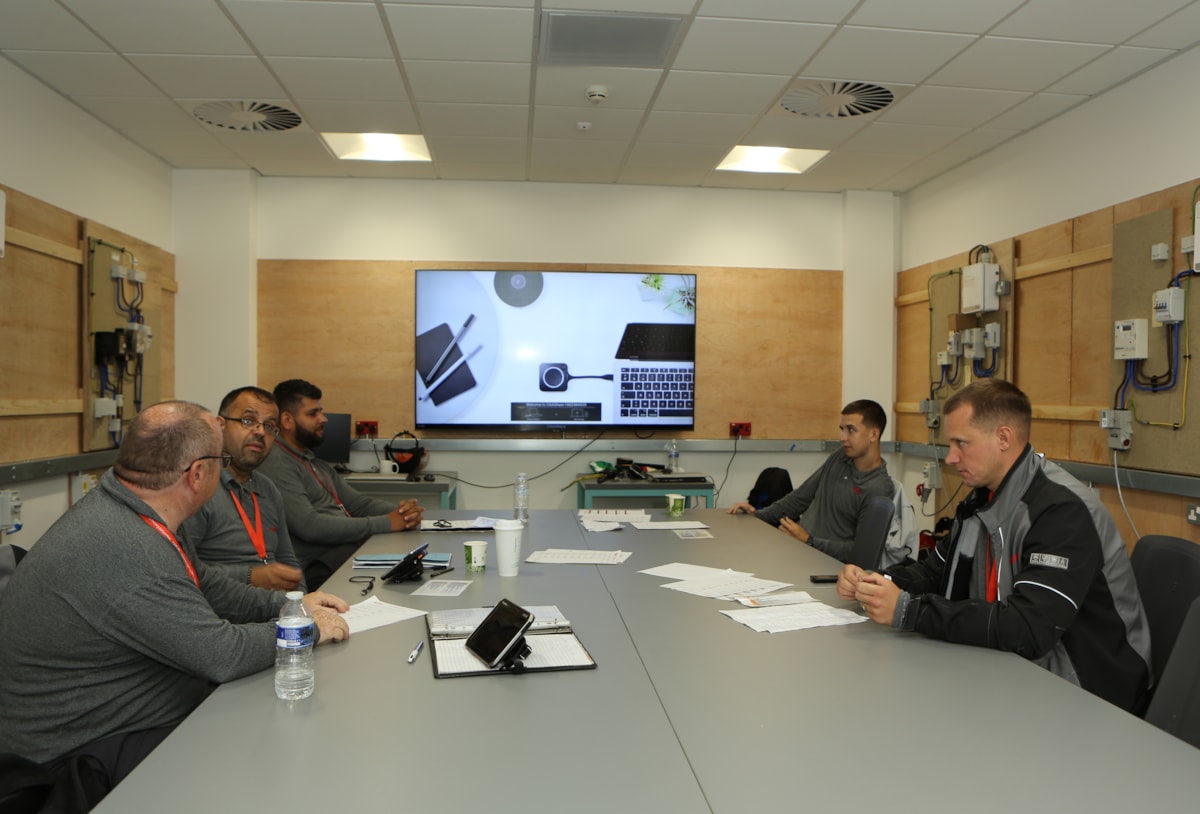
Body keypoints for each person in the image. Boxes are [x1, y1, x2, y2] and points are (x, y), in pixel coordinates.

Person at [0, 401, 350, 801]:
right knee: (283, 762)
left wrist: (292, 606)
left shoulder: (138, 511)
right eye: (220, 458)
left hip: (124, 714)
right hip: (79, 755)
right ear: (199, 474)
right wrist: (308, 629)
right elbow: (224, 655)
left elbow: (207, 585)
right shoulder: (129, 548)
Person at [840, 379, 1152, 712]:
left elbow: (1029, 628)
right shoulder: (984, 498)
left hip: (1087, 694)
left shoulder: (1062, 512)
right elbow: (936, 571)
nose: (950, 457)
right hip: (1012, 673)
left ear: (1003, 438)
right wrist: (878, 583)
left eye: (961, 443)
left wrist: (909, 611)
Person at [258, 379, 424, 589]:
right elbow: (309, 526)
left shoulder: (313, 461)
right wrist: (387, 523)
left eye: (321, 411)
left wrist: (403, 514)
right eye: (313, 414)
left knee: (412, 565)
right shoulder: (277, 461)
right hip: (317, 566)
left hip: (341, 552)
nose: (323, 419)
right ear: (287, 420)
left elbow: (358, 504)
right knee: (403, 580)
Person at [728, 400, 898, 564]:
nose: (843, 437)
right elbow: (800, 498)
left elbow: (860, 553)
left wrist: (808, 540)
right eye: (842, 429)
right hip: (798, 551)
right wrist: (757, 515)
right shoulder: (840, 457)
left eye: (851, 430)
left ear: (873, 435)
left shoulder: (879, 488)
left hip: (827, 566)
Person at [182, 386, 305, 591]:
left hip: (277, 610)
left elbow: (288, 560)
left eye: (269, 426)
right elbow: (181, 569)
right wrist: (250, 576)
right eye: (248, 421)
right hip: (225, 611)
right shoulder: (196, 487)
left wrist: (303, 606)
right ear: (219, 426)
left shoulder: (268, 489)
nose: (259, 432)